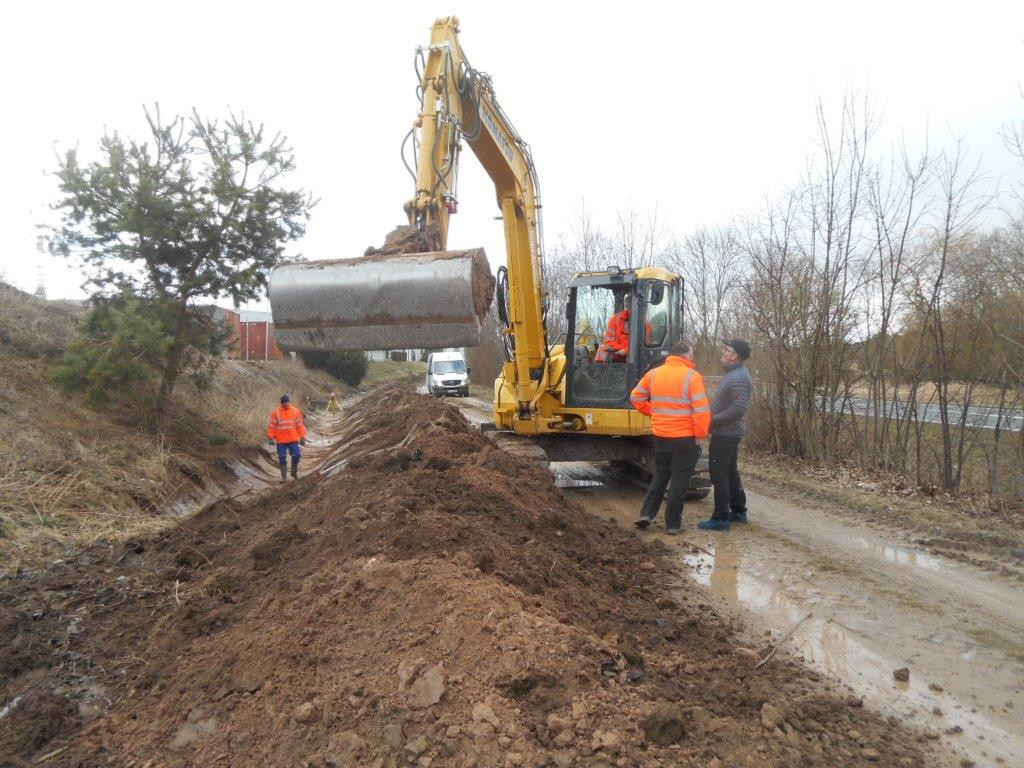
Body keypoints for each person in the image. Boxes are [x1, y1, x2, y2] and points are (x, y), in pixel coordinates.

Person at [629, 341, 711, 533]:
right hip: (685, 437)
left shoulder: (654, 373)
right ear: (685, 356)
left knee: (661, 474)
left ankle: (646, 513)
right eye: (691, 355)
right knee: (680, 479)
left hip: (661, 435)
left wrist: (653, 412)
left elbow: (636, 397)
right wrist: (700, 435)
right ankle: (673, 524)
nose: (693, 359)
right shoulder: (693, 377)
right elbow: (701, 411)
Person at [698, 339, 753, 532]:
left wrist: (712, 420)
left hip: (726, 434)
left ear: (734, 355)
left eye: (727, 349)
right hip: (729, 433)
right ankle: (738, 511)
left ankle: (721, 517)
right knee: (730, 472)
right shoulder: (735, 374)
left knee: (719, 474)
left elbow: (738, 408)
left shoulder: (737, 377)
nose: (723, 352)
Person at [267, 394, 307, 481]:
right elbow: (272, 426)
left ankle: (294, 473)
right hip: (281, 440)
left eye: (288, 403)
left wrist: (302, 437)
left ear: (289, 402)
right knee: (281, 457)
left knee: (296, 456)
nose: (287, 405)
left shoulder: (295, 411)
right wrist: (270, 437)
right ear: (282, 404)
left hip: (293, 439)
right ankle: (284, 477)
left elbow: (300, 425)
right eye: (285, 403)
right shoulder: (276, 412)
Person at [595, 294, 631, 363]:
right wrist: (621, 349)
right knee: (602, 349)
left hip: (634, 354)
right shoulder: (616, 319)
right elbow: (609, 341)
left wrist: (627, 351)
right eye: (628, 306)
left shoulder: (643, 323)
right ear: (626, 306)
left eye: (631, 306)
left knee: (632, 357)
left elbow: (644, 345)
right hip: (617, 351)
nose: (629, 308)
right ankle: (600, 372)